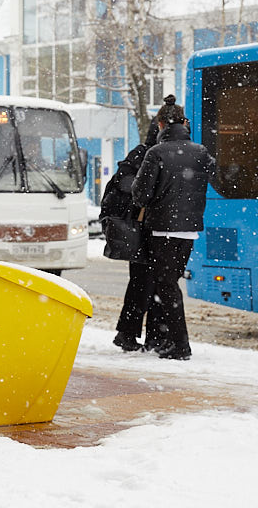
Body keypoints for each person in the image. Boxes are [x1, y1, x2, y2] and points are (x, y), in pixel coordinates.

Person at [131, 95, 214, 360]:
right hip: (189, 230)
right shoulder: (200, 152)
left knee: (166, 286)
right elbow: (211, 177)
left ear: (161, 123)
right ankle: (170, 340)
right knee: (170, 283)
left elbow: (140, 195)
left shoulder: (156, 153)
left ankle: (180, 345)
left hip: (162, 230)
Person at [101, 118, 163, 352]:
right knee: (144, 283)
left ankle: (136, 333)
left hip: (144, 227)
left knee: (145, 283)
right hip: (142, 228)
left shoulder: (144, 153)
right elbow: (125, 186)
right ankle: (130, 333)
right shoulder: (145, 154)